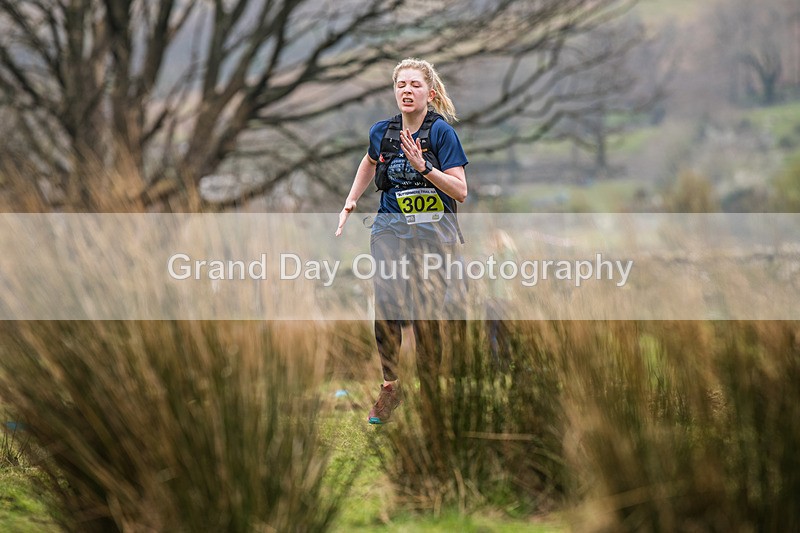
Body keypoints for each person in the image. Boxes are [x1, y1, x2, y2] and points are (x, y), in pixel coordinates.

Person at [335, 58, 468, 424]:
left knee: (426, 313)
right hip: (390, 227)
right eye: (401, 85)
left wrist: (424, 167)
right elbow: (369, 161)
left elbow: (460, 191)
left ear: (431, 92)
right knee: (387, 301)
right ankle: (391, 387)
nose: (406, 90)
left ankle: (431, 392)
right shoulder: (383, 131)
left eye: (414, 85)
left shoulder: (441, 134)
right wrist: (351, 199)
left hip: (433, 234)